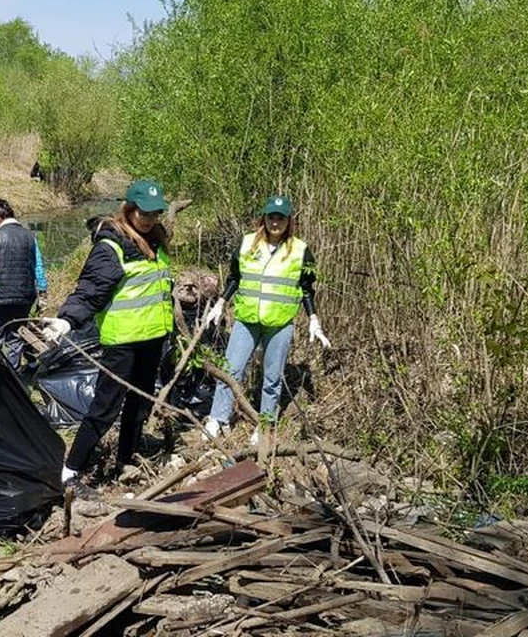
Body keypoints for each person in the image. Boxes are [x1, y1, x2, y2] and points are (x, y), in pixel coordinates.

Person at [42, 179, 173, 491]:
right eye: (144, 213)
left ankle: (126, 458)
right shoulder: (112, 244)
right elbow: (90, 290)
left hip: (152, 338)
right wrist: (67, 321)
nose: (150, 219)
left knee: (140, 403)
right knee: (105, 408)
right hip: (122, 342)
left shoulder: (155, 240)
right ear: (128, 209)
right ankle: (71, 470)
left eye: (156, 213)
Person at [202, 195, 331, 440]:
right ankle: (217, 418)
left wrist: (314, 319)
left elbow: (306, 287)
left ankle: (265, 423)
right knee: (231, 369)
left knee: (272, 377)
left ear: (288, 221)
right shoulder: (247, 243)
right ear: (264, 218)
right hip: (247, 319)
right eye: (271, 217)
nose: (275, 222)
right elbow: (234, 278)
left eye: (281, 218)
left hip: (279, 323)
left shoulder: (301, 250)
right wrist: (220, 303)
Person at [0, 198, 48, 369]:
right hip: (24, 298)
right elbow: (39, 267)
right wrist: (43, 293)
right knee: (16, 339)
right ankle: (15, 376)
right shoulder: (30, 236)